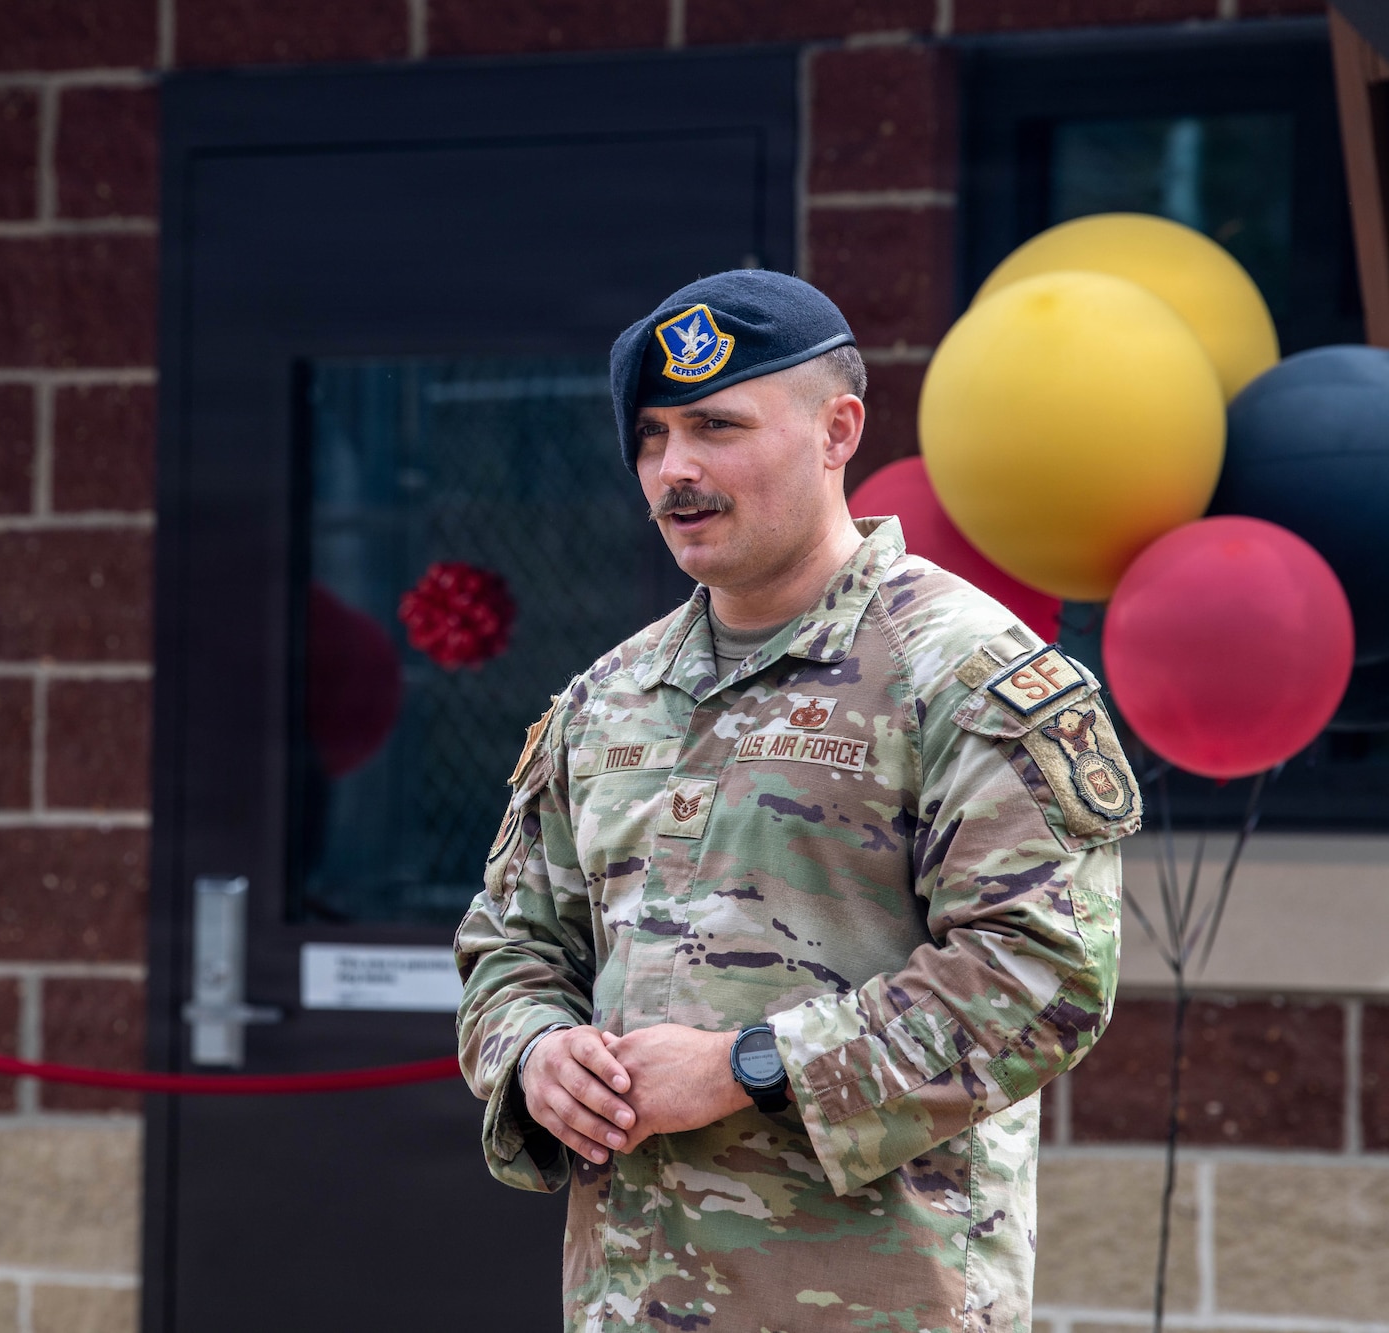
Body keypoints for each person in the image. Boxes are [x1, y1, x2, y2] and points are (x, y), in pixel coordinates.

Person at [454, 270, 1136, 1332]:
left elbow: (1042, 968)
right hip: (627, 1301)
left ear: (836, 429)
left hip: (875, 1301)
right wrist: (536, 1053)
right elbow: (510, 947)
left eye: (715, 426)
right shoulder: (605, 698)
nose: (674, 470)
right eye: (649, 438)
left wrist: (747, 1066)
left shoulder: (958, 672)